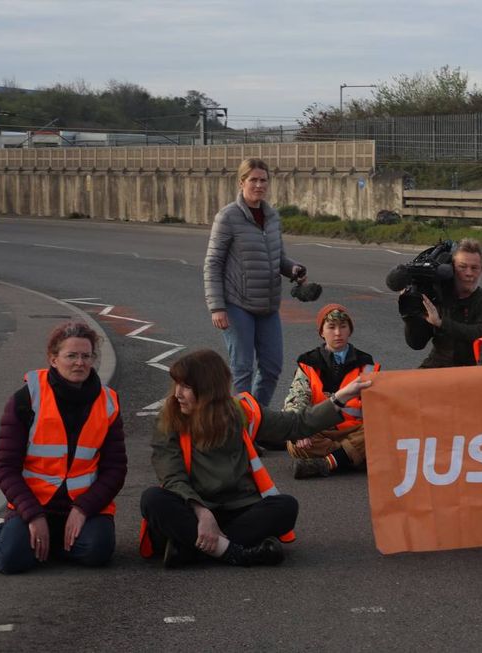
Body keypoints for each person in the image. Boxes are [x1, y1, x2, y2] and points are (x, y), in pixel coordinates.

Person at [139, 348, 370, 568]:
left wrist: (341, 397)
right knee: (153, 499)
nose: (177, 393)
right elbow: (171, 476)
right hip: (191, 507)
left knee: (286, 507)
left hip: (238, 508)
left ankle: (190, 549)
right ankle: (234, 553)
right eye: (177, 384)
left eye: (186, 387)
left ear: (209, 389)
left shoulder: (242, 411)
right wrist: (202, 511)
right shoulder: (169, 418)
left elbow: (296, 425)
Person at [0, 321, 127, 574]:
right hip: (34, 504)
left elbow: (115, 469)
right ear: (53, 359)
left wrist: (83, 508)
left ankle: (48, 545)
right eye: (71, 356)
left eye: (86, 356)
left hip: (84, 506)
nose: (79, 363)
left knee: (98, 551)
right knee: (11, 560)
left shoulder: (108, 402)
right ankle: (6, 534)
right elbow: (5, 468)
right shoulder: (26, 399)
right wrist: (33, 515)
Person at [204, 157, 306, 406]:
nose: (259, 185)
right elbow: (213, 263)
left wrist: (293, 268)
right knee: (243, 371)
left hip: (268, 305)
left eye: (263, 180)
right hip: (237, 303)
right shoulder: (227, 217)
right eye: (253, 180)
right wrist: (217, 306)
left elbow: (277, 257)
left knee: (272, 367)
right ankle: (243, 428)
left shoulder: (272, 217)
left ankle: (256, 420)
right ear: (241, 182)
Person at [283, 304, 379, 479]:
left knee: (378, 430)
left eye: (343, 327)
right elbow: (296, 399)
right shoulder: (307, 363)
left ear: (350, 330)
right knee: (294, 443)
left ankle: (326, 463)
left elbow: (378, 407)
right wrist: (299, 431)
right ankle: (349, 458)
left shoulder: (366, 364)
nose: (337, 333)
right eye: (331, 327)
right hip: (319, 430)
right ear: (321, 332)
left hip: (354, 430)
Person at [402, 238, 482, 368]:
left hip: (472, 369)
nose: (469, 273)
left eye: (474, 268)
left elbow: (481, 332)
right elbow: (416, 344)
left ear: (481, 270)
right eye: (462, 267)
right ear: (452, 269)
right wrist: (410, 316)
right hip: (438, 364)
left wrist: (441, 323)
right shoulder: (440, 298)